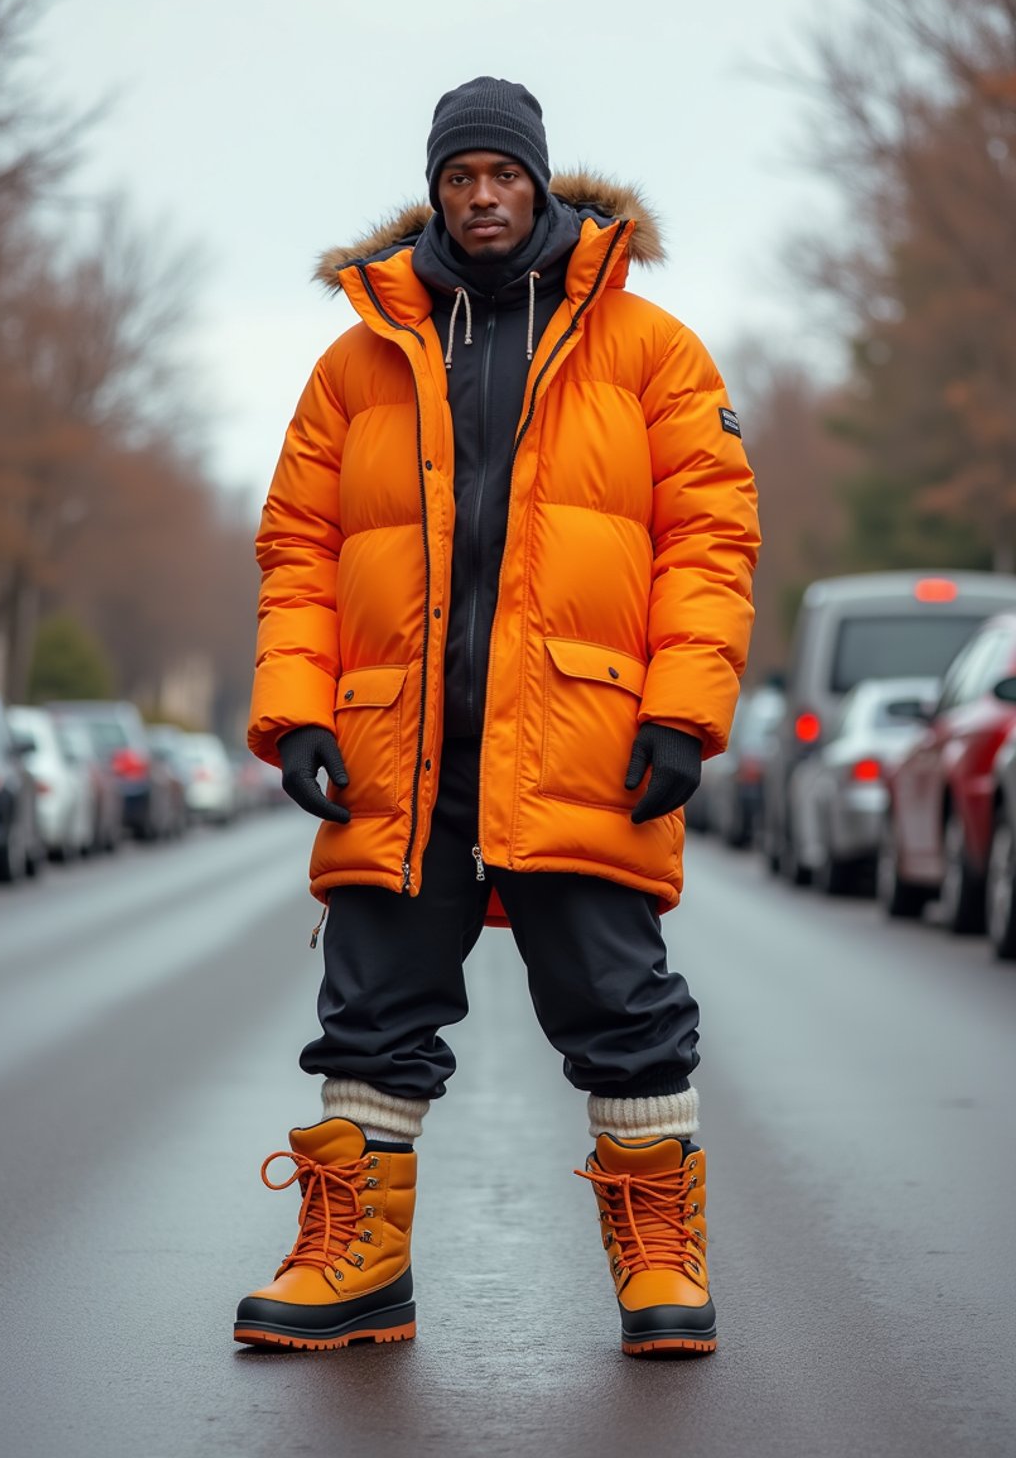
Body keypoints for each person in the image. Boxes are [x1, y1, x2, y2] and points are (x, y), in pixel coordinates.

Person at [236, 77, 760, 1357]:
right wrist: (299, 713)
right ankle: (355, 1266)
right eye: (460, 176)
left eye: (503, 176)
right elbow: (299, 551)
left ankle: (658, 1267)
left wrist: (682, 716)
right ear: (435, 190)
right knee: (367, 1013)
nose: (482, 197)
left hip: (581, 741)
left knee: (620, 1004)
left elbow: (709, 542)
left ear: (541, 184)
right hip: (394, 752)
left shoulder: (649, 350)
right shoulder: (355, 361)